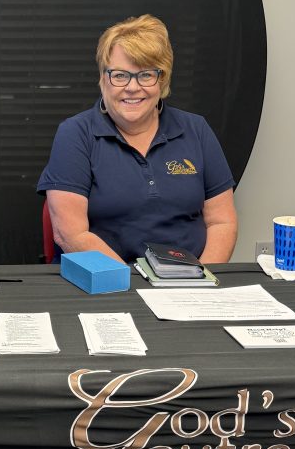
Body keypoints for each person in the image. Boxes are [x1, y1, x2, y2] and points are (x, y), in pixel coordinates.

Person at [37, 14, 237, 265]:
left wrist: (201, 282)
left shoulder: (196, 129)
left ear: (162, 79)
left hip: (189, 283)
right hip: (109, 285)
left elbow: (222, 222)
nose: (132, 87)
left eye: (145, 75)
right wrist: (134, 287)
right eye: (120, 75)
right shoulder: (76, 134)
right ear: (103, 78)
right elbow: (71, 234)